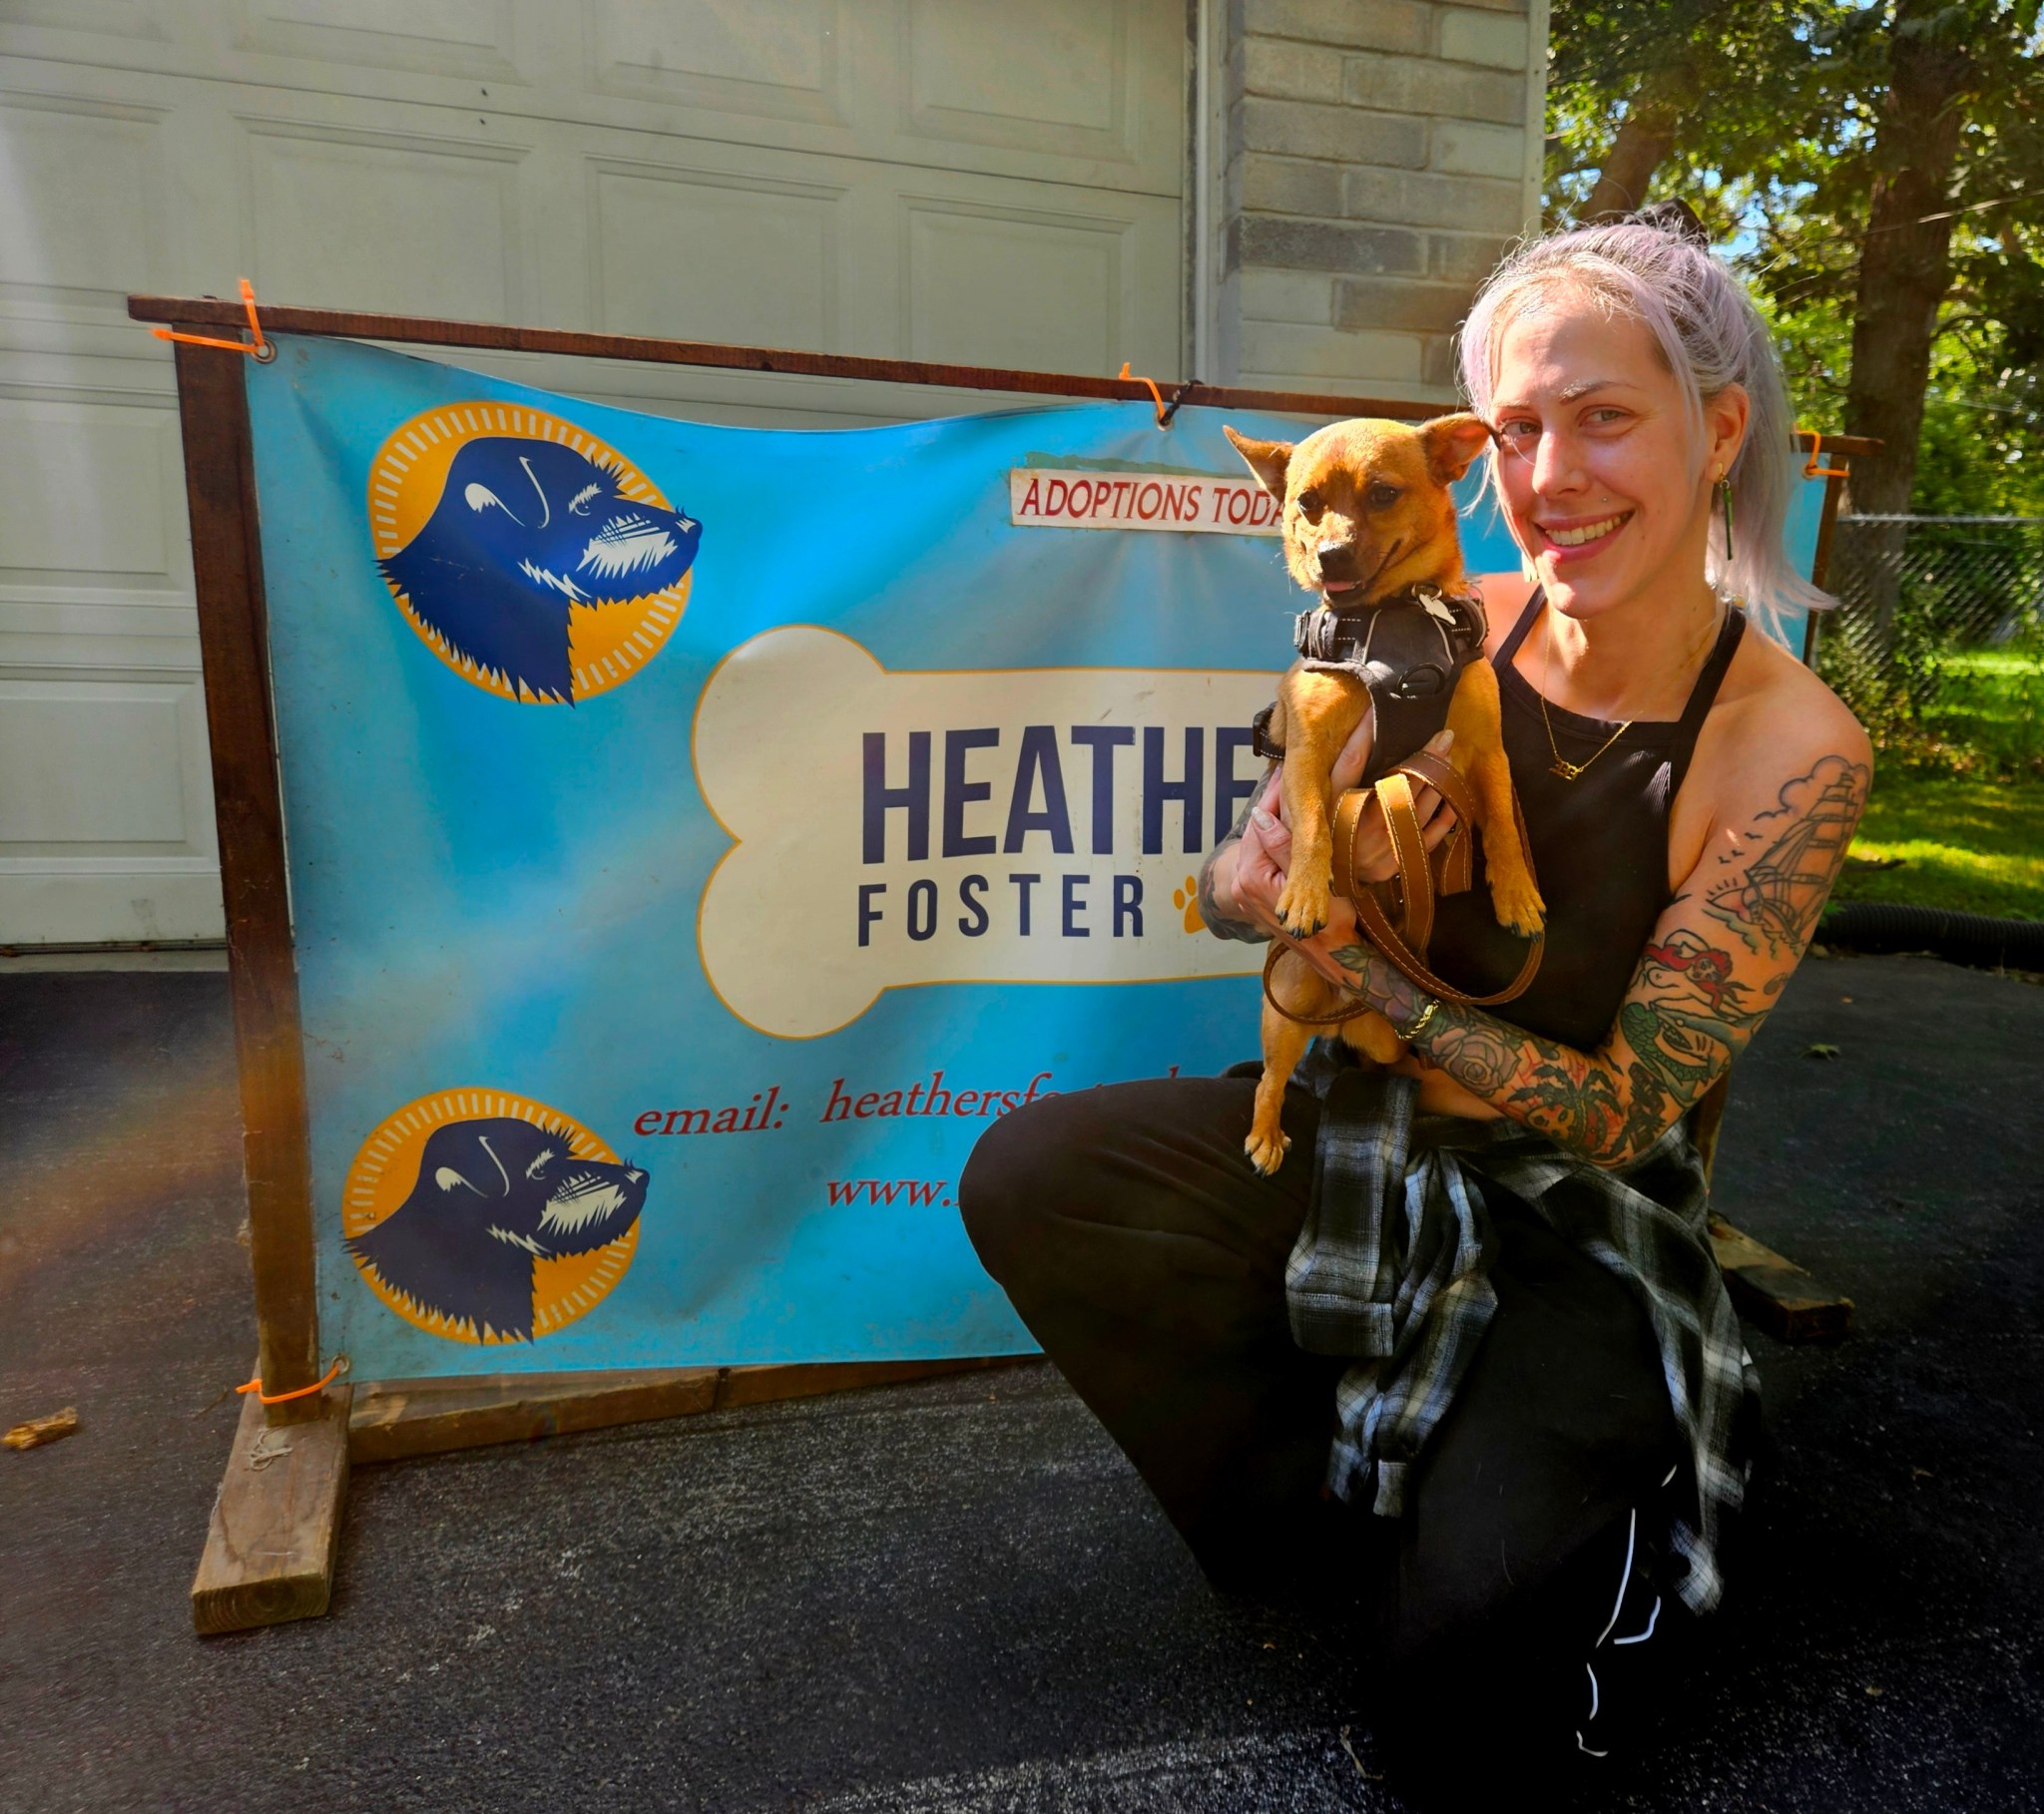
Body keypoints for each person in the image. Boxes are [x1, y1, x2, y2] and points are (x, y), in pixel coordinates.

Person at [958, 206, 1872, 1789]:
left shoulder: (1790, 746)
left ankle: (1604, 1508)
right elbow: (1244, 876)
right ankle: (1328, 1519)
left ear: (1720, 430)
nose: (1551, 475)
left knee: (1457, 1716)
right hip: (1370, 1131)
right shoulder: (1445, 620)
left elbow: (1621, 1111)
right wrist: (1258, 873)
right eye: (1517, 429)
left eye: (1604, 417)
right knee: (1035, 1174)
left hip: (1576, 1223)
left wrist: (1358, 962)